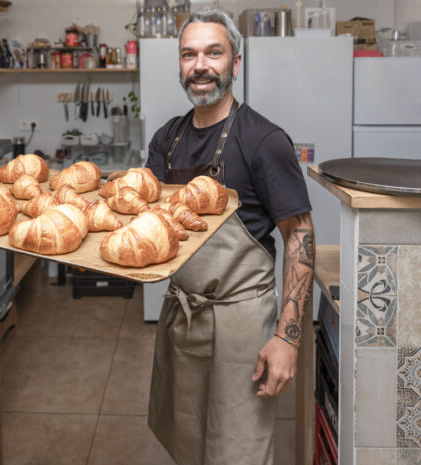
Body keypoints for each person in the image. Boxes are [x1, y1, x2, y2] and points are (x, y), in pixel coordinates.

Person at [145, 7, 315, 465]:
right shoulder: (167, 140)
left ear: (235, 64)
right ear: (180, 64)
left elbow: (300, 237)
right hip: (182, 315)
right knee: (186, 439)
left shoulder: (263, 141)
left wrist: (287, 338)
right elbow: (151, 222)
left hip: (243, 324)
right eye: (189, 54)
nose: (200, 65)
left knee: (237, 449)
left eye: (213, 53)